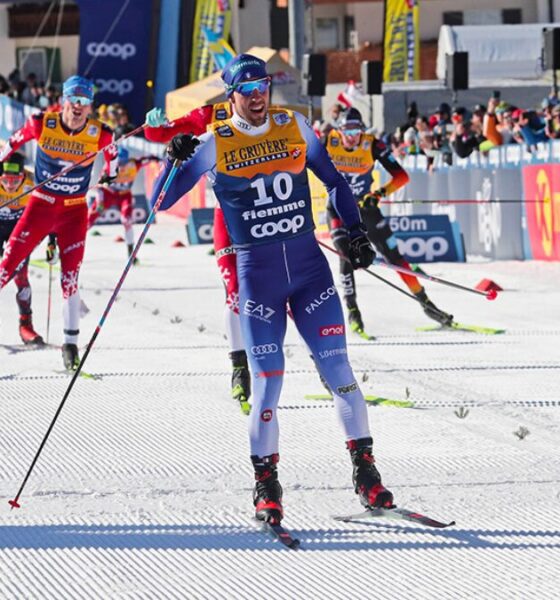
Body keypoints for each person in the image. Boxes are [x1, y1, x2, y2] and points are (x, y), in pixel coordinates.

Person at [150, 53, 394, 524]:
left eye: (263, 85)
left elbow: (336, 181)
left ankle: (367, 475)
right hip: (258, 279)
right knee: (267, 386)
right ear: (232, 95)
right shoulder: (211, 141)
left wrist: (356, 231)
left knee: (340, 371)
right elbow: (161, 201)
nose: (258, 95)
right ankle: (267, 486)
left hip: (309, 271)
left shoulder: (295, 125)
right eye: (248, 88)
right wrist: (171, 158)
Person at [0, 75, 118, 370]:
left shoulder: (101, 133)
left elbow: (112, 160)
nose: (78, 107)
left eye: (84, 102)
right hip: (40, 205)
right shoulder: (42, 122)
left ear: (90, 106)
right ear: (64, 101)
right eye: (74, 100)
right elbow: (12, 144)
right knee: (6, 267)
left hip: (73, 212)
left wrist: (109, 175)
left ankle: (70, 346)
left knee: (70, 280)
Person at [145, 101, 252, 412]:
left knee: (284, 293)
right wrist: (154, 125)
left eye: (258, 87)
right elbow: (164, 134)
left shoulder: (267, 119)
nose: (252, 97)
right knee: (233, 294)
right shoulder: (210, 115)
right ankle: (239, 367)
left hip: (264, 218)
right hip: (226, 218)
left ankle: (322, 364)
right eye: (241, 89)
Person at [324, 108, 453, 333]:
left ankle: (427, 304)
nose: (352, 136)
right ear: (339, 130)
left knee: (395, 257)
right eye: (347, 130)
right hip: (338, 210)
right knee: (345, 254)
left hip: (366, 208)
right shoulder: (327, 142)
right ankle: (353, 311)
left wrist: (379, 194)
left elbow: (402, 176)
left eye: (356, 130)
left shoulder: (373, 145)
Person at [0, 152, 44, 344]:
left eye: (15, 180)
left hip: (19, 230)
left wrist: (51, 240)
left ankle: (26, 324)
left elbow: (50, 210)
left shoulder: (33, 182)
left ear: (23, 176)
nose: (10, 185)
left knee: (20, 276)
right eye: (6, 180)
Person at [87, 146, 160, 262]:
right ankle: (70, 246)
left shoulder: (133, 164)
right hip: (108, 194)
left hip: (124, 195)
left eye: (123, 162)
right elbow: (100, 187)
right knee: (90, 219)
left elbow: (148, 159)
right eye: (118, 163)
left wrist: (157, 158)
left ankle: (131, 255)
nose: (121, 166)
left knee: (127, 221)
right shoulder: (108, 168)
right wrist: (100, 203)